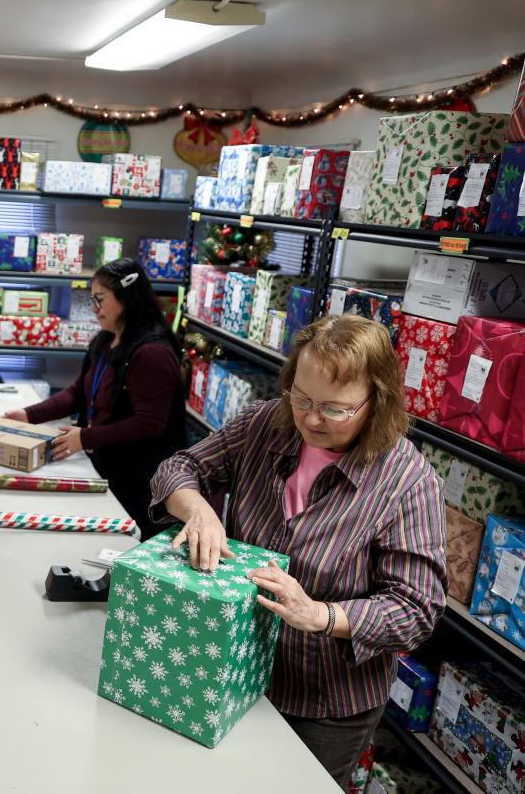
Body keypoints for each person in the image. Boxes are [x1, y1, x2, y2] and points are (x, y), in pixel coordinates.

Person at [150, 314, 446, 788]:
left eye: (334, 409)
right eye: (302, 397)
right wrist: (198, 510)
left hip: (323, 704)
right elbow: (178, 468)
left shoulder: (407, 483)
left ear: (377, 402)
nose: (310, 418)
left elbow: (417, 609)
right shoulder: (264, 424)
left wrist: (319, 615)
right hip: (232, 667)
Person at [4, 258, 186, 537]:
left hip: (140, 481)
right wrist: (29, 415)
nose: (93, 308)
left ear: (126, 296)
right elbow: (79, 393)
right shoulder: (107, 340)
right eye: (91, 299)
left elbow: (149, 424)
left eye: (99, 299)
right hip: (108, 467)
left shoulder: (152, 353)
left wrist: (85, 438)